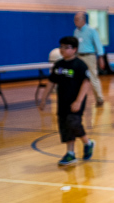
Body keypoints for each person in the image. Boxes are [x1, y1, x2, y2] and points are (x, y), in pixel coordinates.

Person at [38, 36, 95, 166]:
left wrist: (79, 101)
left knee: (73, 122)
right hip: (62, 102)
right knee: (65, 126)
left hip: (75, 101)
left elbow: (86, 83)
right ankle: (70, 154)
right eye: (61, 47)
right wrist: (43, 99)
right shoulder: (58, 65)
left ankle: (88, 143)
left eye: (66, 47)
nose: (62, 49)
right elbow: (51, 82)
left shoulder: (80, 65)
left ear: (74, 49)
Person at [73, 12, 105, 106]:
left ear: (83, 20)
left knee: (93, 77)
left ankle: (99, 98)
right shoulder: (76, 31)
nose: (75, 22)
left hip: (89, 56)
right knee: (78, 78)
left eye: (77, 19)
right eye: (74, 20)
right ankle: (79, 98)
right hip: (79, 56)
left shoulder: (91, 30)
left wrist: (101, 57)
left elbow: (98, 44)